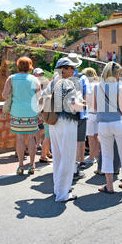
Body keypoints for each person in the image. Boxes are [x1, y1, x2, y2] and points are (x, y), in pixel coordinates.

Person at [96, 62, 122, 194]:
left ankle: (109, 185)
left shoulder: (98, 87)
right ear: (116, 74)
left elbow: (96, 107)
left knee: (107, 155)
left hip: (103, 124)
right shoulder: (119, 88)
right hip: (119, 123)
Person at [48, 57, 84, 202]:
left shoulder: (52, 82)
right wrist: (86, 106)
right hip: (67, 122)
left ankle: (58, 189)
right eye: (71, 68)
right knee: (67, 158)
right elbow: (74, 105)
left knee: (57, 158)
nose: (74, 70)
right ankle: (63, 194)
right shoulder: (68, 83)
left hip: (54, 122)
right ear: (63, 69)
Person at [2, 57, 41, 176]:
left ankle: (20, 165)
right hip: (31, 112)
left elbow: (4, 95)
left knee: (19, 138)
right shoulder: (35, 79)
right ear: (30, 66)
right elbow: (39, 97)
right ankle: (32, 164)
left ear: (18, 66)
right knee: (31, 138)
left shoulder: (11, 78)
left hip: (17, 112)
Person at [68, 53, 91, 179]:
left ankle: (70, 164)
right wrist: (85, 106)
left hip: (65, 115)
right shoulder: (82, 78)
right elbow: (87, 95)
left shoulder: (60, 76)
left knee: (68, 141)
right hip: (80, 113)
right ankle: (80, 161)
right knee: (80, 140)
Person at [82, 68, 100, 165]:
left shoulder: (88, 86)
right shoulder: (99, 84)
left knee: (90, 136)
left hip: (90, 112)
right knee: (97, 135)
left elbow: (87, 100)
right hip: (99, 113)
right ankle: (96, 154)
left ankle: (91, 156)